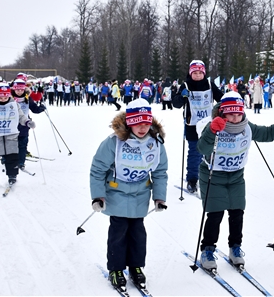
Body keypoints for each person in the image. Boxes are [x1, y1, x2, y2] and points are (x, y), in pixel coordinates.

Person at [197, 91, 274, 270]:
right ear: (222, 112)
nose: (235, 118)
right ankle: (207, 249)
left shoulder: (247, 127)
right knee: (215, 215)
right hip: (213, 177)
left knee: (237, 213)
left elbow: (269, 134)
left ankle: (235, 248)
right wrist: (212, 130)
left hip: (237, 177)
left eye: (238, 113)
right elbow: (202, 148)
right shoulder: (211, 125)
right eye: (230, 114)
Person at [89, 98, 168, 292]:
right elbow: (98, 169)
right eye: (137, 123)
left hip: (140, 193)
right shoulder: (113, 142)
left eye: (146, 123)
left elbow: (159, 171)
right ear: (129, 123)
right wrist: (98, 196)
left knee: (138, 233)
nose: (142, 127)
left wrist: (159, 197)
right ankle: (116, 268)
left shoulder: (155, 143)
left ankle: (135, 266)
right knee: (119, 231)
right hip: (117, 191)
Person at [172, 60, 223, 193]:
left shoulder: (209, 84)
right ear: (190, 73)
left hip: (208, 124)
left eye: (200, 72)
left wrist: (229, 103)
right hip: (192, 124)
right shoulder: (186, 85)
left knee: (209, 151)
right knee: (194, 152)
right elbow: (176, 104)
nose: (198, 75)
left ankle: (208, 177)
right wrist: (182, 97)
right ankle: (192, 179)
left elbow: (221, 98)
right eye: (195, 73)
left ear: (204, 73)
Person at [10, 78, 46, 171]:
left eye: (21, 89)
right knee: (11, 144)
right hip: (11, 125)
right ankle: (8, 160)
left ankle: (21, 162)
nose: (19, 92)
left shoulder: (27, 98)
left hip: (24, 125)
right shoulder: (9, 98)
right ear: (14, 89)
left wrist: (41, 108)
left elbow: (34, 109)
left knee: (23, 144)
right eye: (17, 89)